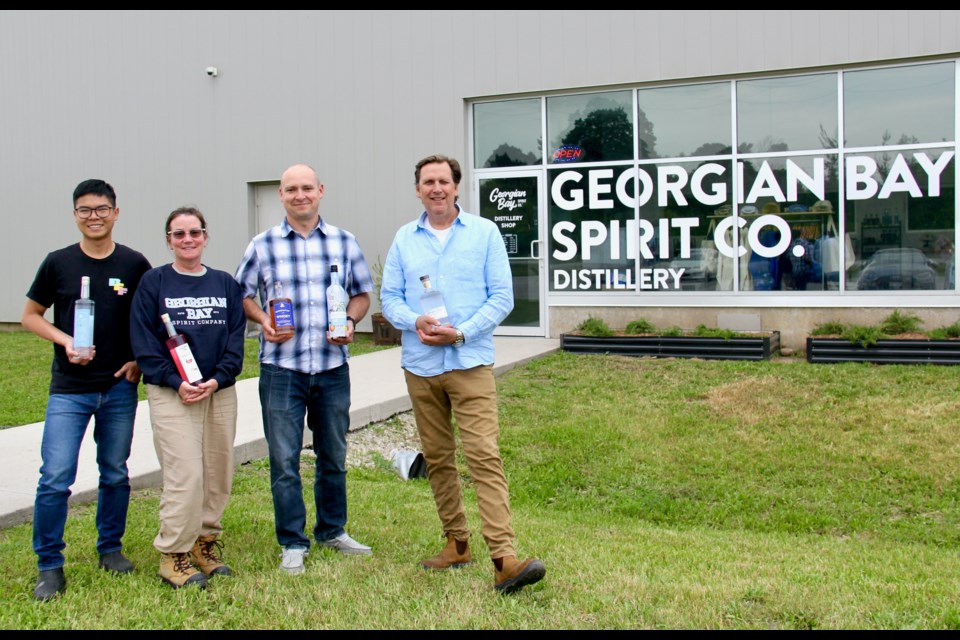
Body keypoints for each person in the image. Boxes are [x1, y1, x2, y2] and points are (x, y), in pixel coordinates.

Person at [380, 154, 546, 594]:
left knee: (484, 456)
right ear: (418, 189)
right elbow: (390, 297)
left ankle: (504, 559)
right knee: (437, 458)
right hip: (420, 366)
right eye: (427, 182)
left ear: (457, 187)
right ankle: (456, 543)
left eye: (443, 181)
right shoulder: (403, 238)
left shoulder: (485, 233)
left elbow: (502, 298)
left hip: (469, 362)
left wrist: (461, 334)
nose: (436, 188)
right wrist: (415, 321)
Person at [235, 163, 374, 575]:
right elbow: (241, 294)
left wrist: (349, 322)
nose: (300, 195)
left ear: (320, 191)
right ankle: (292, 542)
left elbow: (363, 294)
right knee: (284, 459)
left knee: (333, 454)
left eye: (307, 188)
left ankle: (332, 529)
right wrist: (263, 320)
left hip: (332, 367)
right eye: (291, 189)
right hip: (282, 369)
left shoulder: (344, 242)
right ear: (280, 195)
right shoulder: (261, 245)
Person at [23, 179, 152, 601]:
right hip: (69, 390)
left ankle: (110, 549)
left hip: (118, 388)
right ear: (75, 215)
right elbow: (30, 315)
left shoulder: (135, 264)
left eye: (101, 209)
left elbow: (146, 320)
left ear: (116, 212)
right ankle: (49, 565)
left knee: (114, 471)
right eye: (84, 210)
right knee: (55, 477)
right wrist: (65, 342)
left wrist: (137, 359)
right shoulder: (58, 263)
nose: (93, 216)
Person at [130, 207, 246, 590]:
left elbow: (234, 339)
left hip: (217, 391)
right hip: (171, 392)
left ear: (205, 236)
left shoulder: (225, 284)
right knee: (186, 473)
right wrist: (173, 380)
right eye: (178, 234)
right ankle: (173, 554)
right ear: (168, 240)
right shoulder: (155, 282)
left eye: (194, 232)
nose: (187, 240)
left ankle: (204, 542)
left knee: (218, 470)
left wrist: (217, 379)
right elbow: (145, 342)